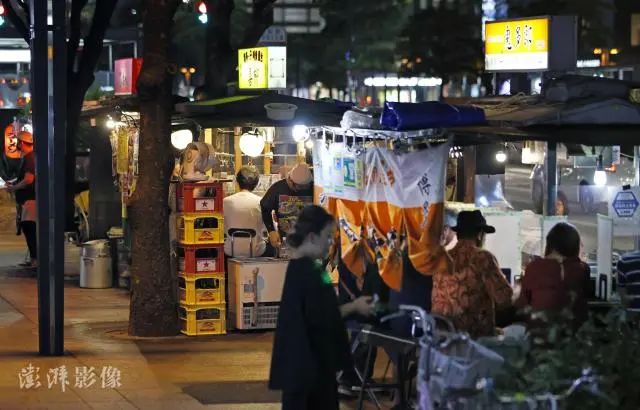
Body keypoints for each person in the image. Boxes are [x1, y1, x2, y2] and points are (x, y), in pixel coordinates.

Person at [269, 205, 375, 410]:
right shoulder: (309, 272)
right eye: (327, 236)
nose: (330, 243)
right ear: (311, 237)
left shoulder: (301, 268)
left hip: (303, 370)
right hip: (310, 371)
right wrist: (355, 307)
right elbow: (323, 317)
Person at [432, 210, 513, 338]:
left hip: (443, 337)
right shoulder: (482, 258)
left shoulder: (443, 259)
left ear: (458, 235)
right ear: (480, 235)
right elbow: (504, 299)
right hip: (473, 340)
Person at [515, 222, 591, 328]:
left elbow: (522, 304)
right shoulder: (583, 269)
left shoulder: (534, 267)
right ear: (574, 245)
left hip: (540, 333)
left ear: (550, 244)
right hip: (574, 335)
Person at [260, 163, 313, 250]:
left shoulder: (313, 188)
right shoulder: (278, 188)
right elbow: (265, 207)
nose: (301, 190)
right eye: (299, 187)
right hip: (284, 242)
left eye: (305, 187)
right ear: (291, 181)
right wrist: (271, 230)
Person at [6, 131, 37, 268]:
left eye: (19, 142)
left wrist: (14, 188)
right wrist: (13, 183)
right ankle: (34, 258)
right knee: (28, 227)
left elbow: (28, 180)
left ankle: (35, 259)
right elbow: (24, 178)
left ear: (23, 143)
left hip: (30, 199)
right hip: (28, 199)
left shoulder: (30, 158)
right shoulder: (29, 157)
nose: (17, 145)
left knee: (29, 227)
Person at [223, 166, 267, 258]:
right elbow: (268, 227)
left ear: (237, 181)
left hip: (229, 250)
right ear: (256, 183)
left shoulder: (225, 201)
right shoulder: (262, 201)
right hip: (256, 251)